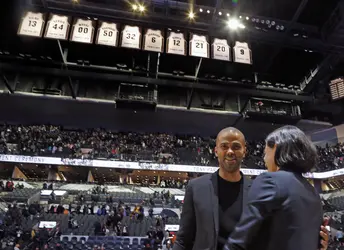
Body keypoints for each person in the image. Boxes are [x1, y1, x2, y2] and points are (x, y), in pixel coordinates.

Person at [172, 127, 329, 250]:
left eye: (236, 146)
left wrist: (317, 241)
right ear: (216, 151)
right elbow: (183, 239)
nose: (230, 151)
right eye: (224, 146)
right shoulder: (196, 187)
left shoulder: (261, 189)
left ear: (244, 151)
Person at [223, 125, 324, 250]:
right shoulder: (313, 192)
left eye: (265, 153)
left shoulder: (270, 181)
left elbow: (241, 239)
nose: (264, 159)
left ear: (275, 147)